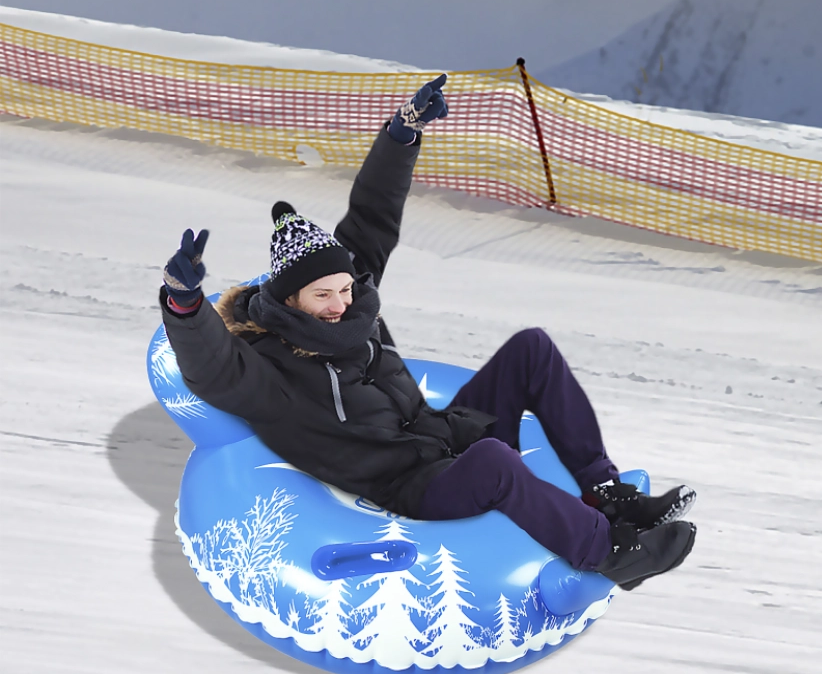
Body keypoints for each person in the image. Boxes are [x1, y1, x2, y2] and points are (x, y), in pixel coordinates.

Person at [160, 74, 696, 591]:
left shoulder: (354, 311)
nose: (340, 305)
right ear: (289, 298)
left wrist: (403, 132)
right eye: (323, 295)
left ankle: (609, 496)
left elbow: (371, 217)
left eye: (344, 289)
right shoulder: (272, 365)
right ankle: (610, 555)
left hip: (442, 436)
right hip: (408, 488)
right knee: (494, 464)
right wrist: (183, 303)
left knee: (531, 349)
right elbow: (212, 367)